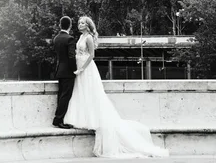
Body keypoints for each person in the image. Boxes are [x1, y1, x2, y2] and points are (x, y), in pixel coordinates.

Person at [64, 16, 169, 158]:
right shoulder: (81, 37)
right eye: (79, 23)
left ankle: (93, 119)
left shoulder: (88, 38)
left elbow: (91, 56)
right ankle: (83, 119)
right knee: (81, 93)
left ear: (88, 25)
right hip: (79, 66)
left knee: (91, 93)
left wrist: (82, 68)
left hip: (86, 69)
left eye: (82, 23)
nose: (79, 24)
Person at [52, 15, 77, 129]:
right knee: (65, 96)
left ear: (59, 25)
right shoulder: (70, 39)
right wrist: (74, 69)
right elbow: (71, 57)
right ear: (70, 26)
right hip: (68, 72)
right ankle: (58, 120)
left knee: (61, 95)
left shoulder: (56, 38)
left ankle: (58, 118)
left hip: (59, 70)